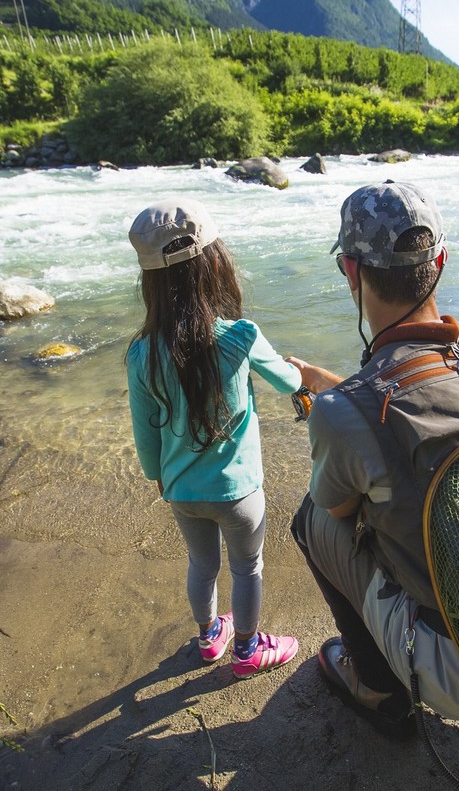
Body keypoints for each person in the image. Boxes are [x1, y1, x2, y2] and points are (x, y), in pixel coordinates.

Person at [287, 180, 459, 740]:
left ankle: (378, 690)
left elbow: (339, 510)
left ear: (350, 269)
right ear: (439, 260)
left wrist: (334, 408)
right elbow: (452, 413)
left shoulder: (344, 412)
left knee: (312, 518)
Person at [126, 198, 300, 679]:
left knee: (201, 565)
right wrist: (300, 373)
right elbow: (287, 382)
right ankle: (246, 648)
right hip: (240, 492)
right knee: (248, 567)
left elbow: (146, 438)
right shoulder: (240, 336)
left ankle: (208, 638)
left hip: (181, 490)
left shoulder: (141, 354)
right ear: (215, 265)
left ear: (150, 283)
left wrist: (158, 479)